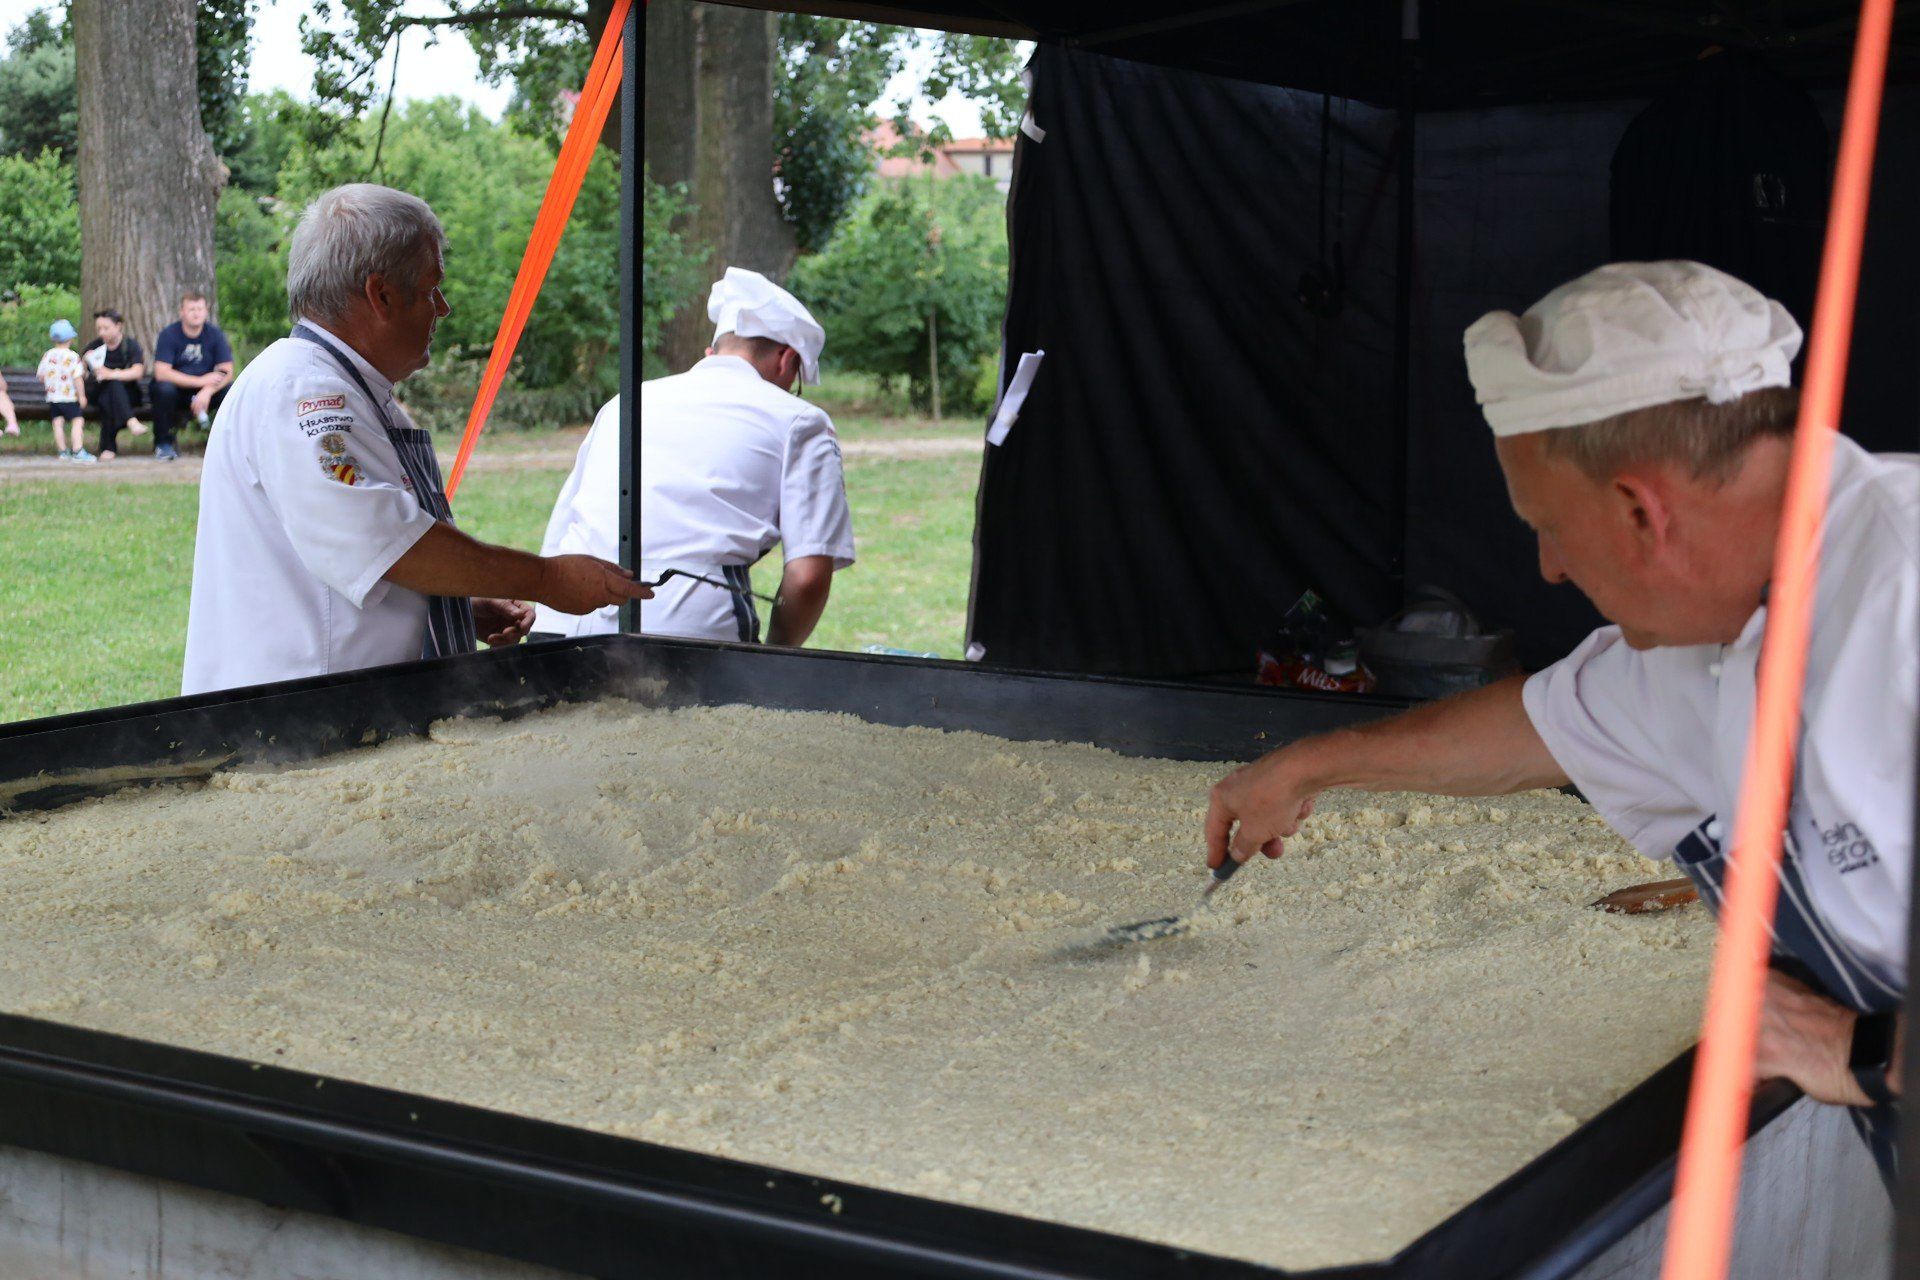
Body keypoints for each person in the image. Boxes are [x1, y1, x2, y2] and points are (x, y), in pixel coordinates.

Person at [1204, 261, 1915, 1177]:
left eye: (1547, 525)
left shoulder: (1902, 598)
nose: (1547, 568)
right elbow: (1540, 727)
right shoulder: (1715, 628)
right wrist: (1307, 767)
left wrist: (1850, 1049)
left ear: (1638, 512)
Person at [182, 183, 649, 696]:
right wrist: (547, 578)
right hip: (296, 717)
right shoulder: (305, 395)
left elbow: (353, 557)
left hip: (336, 706)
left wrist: (451, 603)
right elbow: (386, 544)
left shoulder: (347, 389)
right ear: (380, 295)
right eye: (431, 289)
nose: (443, 309)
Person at [531, 268, 855, 646]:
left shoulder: (623, 403)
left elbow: (562, 531)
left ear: (712, 353)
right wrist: (775, 659)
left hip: (560, 625)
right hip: (688, 637)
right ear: (787, 360)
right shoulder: (801, 421)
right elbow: (808, 574)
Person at [149, 290, 235, 461]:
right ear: (182, 312)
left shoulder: (215, 335)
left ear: (206, 311)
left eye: (200, 309)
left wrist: (207, 390)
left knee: (231, 391)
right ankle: (163, 444)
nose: (196, 313)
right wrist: (199, 381)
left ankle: (228, 445)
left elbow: (227, 370)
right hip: (177, 392)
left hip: (206, 393)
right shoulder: (169, 335)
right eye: (191, 309)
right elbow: (161, 372)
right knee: (163, 389)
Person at [81, 309, 147, 461]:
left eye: (106, 328)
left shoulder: (130, 345)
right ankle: (131, 421)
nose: (102, 332)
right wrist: (85, 362)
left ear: (118, 326)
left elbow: (137, 372)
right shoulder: (94, 347)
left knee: (112, 388)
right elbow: (82, 374)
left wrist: (112, 374)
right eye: (99, 329)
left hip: (128, 394)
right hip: (98, 392)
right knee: (109, 392)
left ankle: (108, 447)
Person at [36, 318, 93, 463]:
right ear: (71, 339)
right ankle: (77, 449)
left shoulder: (48, 355)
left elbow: (41, 376)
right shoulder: (72, 357)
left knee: (58, 423)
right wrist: (82, 396)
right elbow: (78, 378)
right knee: (77, 421)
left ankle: (62, 451)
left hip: (53, 397)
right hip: (69, 397)